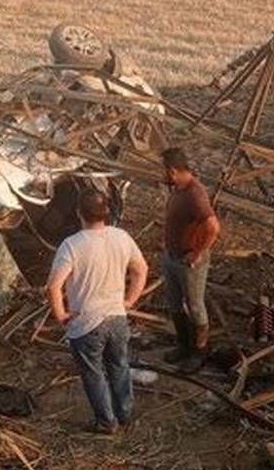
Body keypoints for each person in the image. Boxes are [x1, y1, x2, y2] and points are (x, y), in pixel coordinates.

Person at [46, 189, 148, 434]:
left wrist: (60, 314)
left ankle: (106, 422)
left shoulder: (71, 245)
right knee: (119, 366)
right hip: (117, 319)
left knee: (93, 373)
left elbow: (54, 286)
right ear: (107, 212)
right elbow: (141, 269)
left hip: (87, 323)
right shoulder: (121, 237)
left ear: (79, 213)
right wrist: (130, 300)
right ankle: (124, 414)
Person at [160, 147, 221, 373]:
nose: (163, 175)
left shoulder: (196, 194)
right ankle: (183, 345)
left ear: (173, 171)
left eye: (165, 171)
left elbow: (213, 227)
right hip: (172, 257)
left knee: (195, 306)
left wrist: (197, 252)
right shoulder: (178, 189)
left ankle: (199, 352)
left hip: (189, 261)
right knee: (175, 303)